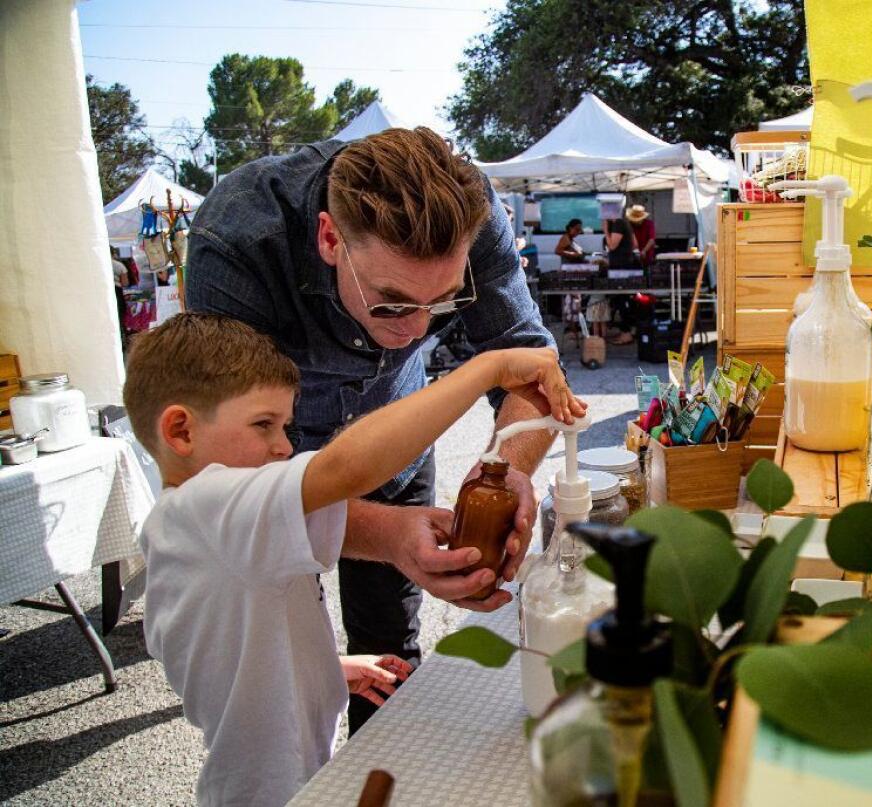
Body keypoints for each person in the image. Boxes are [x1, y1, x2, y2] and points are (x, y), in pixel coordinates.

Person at [124, 312, 584, 807]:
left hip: (293, 771)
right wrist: (486, 369)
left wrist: (323, 667)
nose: (283, 446)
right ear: (181, 431)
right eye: (263, 425)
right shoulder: (203, 505)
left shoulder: (216, 525)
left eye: (285, 426)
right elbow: (348, 468)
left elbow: (222, 641)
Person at [185, 127, 557, 733]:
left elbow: (527, 358)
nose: (414, 330)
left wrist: (507, 467)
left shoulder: (474, 212)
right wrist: (385, 536)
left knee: (389, 657)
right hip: (282, 462)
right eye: (390, 302)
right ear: (330, 238)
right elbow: (232, 477)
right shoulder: (239, 240)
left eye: (441, 303)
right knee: (284, 666)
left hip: (397, 449)